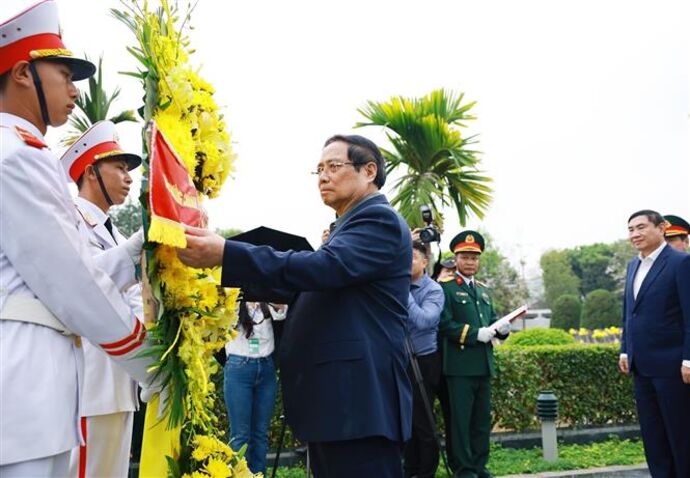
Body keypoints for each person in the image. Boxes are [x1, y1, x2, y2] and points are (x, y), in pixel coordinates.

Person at [177, 134, 413, 477]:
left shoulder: (378, 220)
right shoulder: (347, 226)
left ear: (369, 171)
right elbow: (318, 286)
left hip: (359, 402)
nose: (323, 177)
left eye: (334, 166)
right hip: (340, 404)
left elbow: (324, 269)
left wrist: (228, 253)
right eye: (319, 169)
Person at [0, 2, 155, 475]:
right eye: (64, 75)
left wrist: (140, 246)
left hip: (33, 385)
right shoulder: (17, 154)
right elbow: (72, 283)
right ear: (23, 73)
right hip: (23, 380)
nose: (73, 91)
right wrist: (154, 364)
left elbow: (66, 272)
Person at [59, 121, 144, 478]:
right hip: (88, 383)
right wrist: (138, 245)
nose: (128, 178)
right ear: (91, 172)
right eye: (119, 168)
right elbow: (82, 284)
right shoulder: (67, 219)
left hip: (120, 382)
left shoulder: (116, 233)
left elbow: (134, 299)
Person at [619, 210, 690, 478]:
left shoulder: (681, 263)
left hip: (673, 367)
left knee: (680, 435)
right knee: (653, 437)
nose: (635, 234)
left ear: (661, 228)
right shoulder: (632, 266)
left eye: (641, 227)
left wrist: (689, 358)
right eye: (630, 229)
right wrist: (625, 349)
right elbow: (629, 312)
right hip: (641, 366)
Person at [438, 231, 510, 478]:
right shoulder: (445, 288)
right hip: (459, 367)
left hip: (483, 365)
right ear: (456, 259)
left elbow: (492, 321)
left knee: (480, 423)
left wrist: (502, 330)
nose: (470, 262)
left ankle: (480, 466)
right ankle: (464, 469)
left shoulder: (483, 291)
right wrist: (474, 334)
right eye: (465, 257)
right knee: (460, 423)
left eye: (474, 258)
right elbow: (444, 324)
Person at [223, 300, 286, 475]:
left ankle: (258, 474)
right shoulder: (232, 299)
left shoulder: (267, 298)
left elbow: (283, 312)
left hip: (266, 367)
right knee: (240, 434)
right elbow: (221, 321)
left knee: (260, 434)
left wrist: (267, 295)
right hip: (239, 367)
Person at [404, 241, 445, 478]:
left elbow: (424, 321)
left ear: (424, 262)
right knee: (404, 420)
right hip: (398, 360)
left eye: (412, 257)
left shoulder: (433, 290)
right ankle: (409, 469)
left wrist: (403, 292)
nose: (406, 262)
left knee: (423, 419)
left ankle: (426, 471)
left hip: (423, 360)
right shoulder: (393, 285)